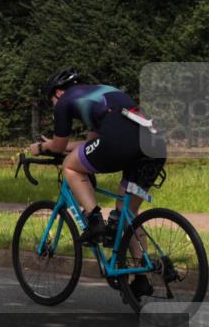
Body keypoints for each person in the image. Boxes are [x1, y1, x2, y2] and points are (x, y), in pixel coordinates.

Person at [30, 67, 166, 297]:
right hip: (153, 145)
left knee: (70, 166)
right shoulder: (102, 94)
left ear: (59, 92)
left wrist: (41, 148)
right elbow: (90, 143)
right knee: (126, 213)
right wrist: (63, 147)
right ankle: (141, 275)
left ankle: (94, 220)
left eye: (51, 99)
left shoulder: (65, 102)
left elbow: (60, 147)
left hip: (121, 143)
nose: (53, 104)